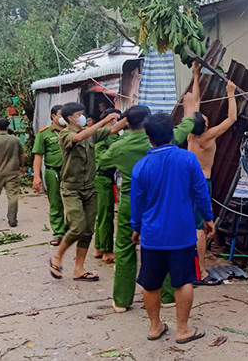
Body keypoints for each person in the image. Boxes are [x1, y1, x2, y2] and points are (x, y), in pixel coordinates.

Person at [101, 96, 198, 313]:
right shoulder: (161, 139)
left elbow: (100, 160)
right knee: (163, 247)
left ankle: (121, 300)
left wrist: (113, 129)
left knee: (125, 248)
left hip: (129, 200)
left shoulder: (118, 147)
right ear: (148, 122)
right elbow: (186, 125)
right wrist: (191, 107)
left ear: (128, 122)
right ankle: (167, 296)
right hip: (160, 201)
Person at [131, 112, 214, 344]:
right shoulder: (188, 160)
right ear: (172, 133)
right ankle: (183, 330)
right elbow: (200, 192)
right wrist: (208, 218)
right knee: (184, 281)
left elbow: (136, 203)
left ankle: (155, 326)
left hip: (152, 236)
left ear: (149, 137)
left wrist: (135, 228)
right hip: (182, 235)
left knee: (150, 283)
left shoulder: (141, 166)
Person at [49, 103, 119, 282]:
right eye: (79, 114)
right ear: (71, 118)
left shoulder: (89, 134)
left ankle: (79, 269)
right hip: (72, 188)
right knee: (78, 226)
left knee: (88, 230)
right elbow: (79, 137)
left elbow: (112, 130)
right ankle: (57, 256)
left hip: (89, 188)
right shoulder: (67, 134)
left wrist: (130, 117)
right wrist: (104, 120)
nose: (82, 117)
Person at [187, 62, 238, 268]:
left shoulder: (190, 133)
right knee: (200, 228)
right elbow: (232, 118)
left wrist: (196, 76)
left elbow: (195, 100)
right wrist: (230, 93)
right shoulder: (207, 137)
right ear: (206, 125)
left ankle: (187, 264)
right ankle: (200, 271)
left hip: (186, 183)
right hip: (201, 184)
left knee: (188, 224)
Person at [32, 105, 67, 246]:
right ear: (53, 116)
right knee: (55, 202)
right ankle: (58, 233)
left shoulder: (72, 131)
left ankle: (73, 231)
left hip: (71, 172)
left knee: (74, 201)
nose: (64, 118)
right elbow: (38, 156)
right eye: (61, 115)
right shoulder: (44, 133)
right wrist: (36, 176)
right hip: (53, 172)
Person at [93, 107, 121, 263]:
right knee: (106, 216)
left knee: (102, 215)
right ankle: (106, 251)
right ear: (112, 120)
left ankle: (99, 247)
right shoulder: (108, 135)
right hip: (102, 178)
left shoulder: (104, 134)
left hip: (103, 178)